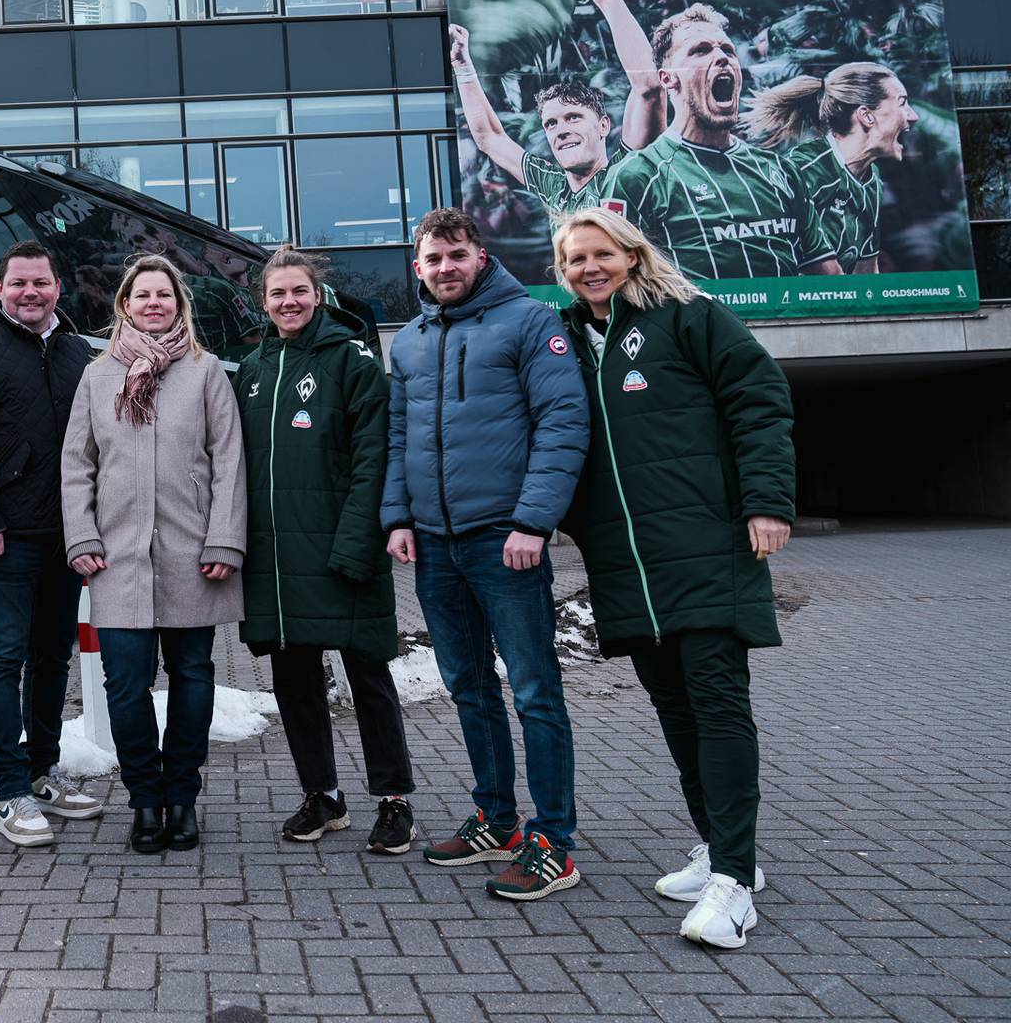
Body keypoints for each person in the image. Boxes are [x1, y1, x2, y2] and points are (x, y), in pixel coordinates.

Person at [552, 207, 794, 948]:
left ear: (631, 254)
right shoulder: (566, 341)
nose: (588, 268)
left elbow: (759, 400)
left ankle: (736, 882)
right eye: (574, 260)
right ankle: (720, 849)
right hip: (627, 563)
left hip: (706, 546)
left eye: (600, 254)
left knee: (717, 705)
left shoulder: (690, 315)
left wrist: (766, 502)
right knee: (674, 709)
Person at [381, 208, 590, 900]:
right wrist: (397, 517)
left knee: (534, 691)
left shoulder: (529, 322)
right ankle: (497, 821)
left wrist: (533, 521)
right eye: (433, 259)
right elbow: (398, 438)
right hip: (435, 544)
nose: (445, 268)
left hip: (506, 540)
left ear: (480, 256)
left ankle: (553, 841)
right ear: (418, 267)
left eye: (456, 255)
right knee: (469, 687)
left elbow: (562, 422)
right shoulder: (409, 342)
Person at [234, 246, 419, 854]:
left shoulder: (353, 360)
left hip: (344, 551)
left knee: (368, 676)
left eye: (299, 291)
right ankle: (322, 795)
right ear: (264, 302)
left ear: (318, 296)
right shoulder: (252, 368)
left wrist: (359, 542)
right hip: (278, 560)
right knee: (295, 683)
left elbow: (374, 458)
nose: (289, 302)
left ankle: (394, 801)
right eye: (278, 293)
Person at [61, 253, 246, 854]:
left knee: (192, 676)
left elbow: (228, 460)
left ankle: (182, 797)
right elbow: (77, 464)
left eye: (163, 294)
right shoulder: (98, 376)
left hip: (194, 554)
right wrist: (82, 536)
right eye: (142, 295)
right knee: (124, 685)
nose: (153, 303)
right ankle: (144, 799)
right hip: (116, 558)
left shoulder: (205, 371)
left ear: (178, 303)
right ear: (125, 304)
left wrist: (224, 538)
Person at [0, 241, 103, 848]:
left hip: (66, 536)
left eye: (41, 283)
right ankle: (9, 789)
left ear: (58, 288)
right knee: (3, 660)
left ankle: (42, 770)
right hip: (5, 539)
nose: (31, 292)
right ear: (0, 289)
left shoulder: (78, 352)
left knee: (52, 657)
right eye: (19, 283)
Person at [599, 4, 825, 281]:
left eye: (728, 50)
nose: (721, 57)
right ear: (668, 78)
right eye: (700, 50)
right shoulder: (637, 176)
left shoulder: (782, 171)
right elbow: (612, 283)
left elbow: (829, 279)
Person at [450, 0, 665, 215]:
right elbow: (489, 137)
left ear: (603, 125)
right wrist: (463, 67)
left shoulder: (627, 173)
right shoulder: (553, 187)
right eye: (551, 123)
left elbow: (649, 89)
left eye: (573, 117)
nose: (560, 130)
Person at [739, 62, 918, 275]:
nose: (913, 116)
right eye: (902, 103)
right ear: (867, 116)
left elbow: (866, 273)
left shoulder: (872, 180)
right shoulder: (803, 170)